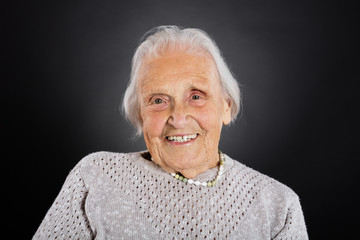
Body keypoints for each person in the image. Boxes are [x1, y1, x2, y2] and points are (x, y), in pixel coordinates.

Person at [33, 25, 308, 239]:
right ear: (140, 114)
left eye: (196, 96)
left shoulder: (278, 206)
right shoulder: (94, 177)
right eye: (158, 101)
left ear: (226, 107)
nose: (177, 118)